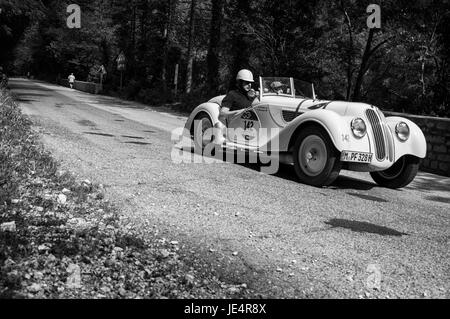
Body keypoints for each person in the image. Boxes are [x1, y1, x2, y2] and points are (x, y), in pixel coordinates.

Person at [213, 69, 257, 144]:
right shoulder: (232, 95)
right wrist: (239, 112)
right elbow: (222, 113)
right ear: (240, 82)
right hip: (235, 127)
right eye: (246, 82)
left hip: (251, 129)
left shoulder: (252, 96)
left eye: (250, 83)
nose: (249, 85)